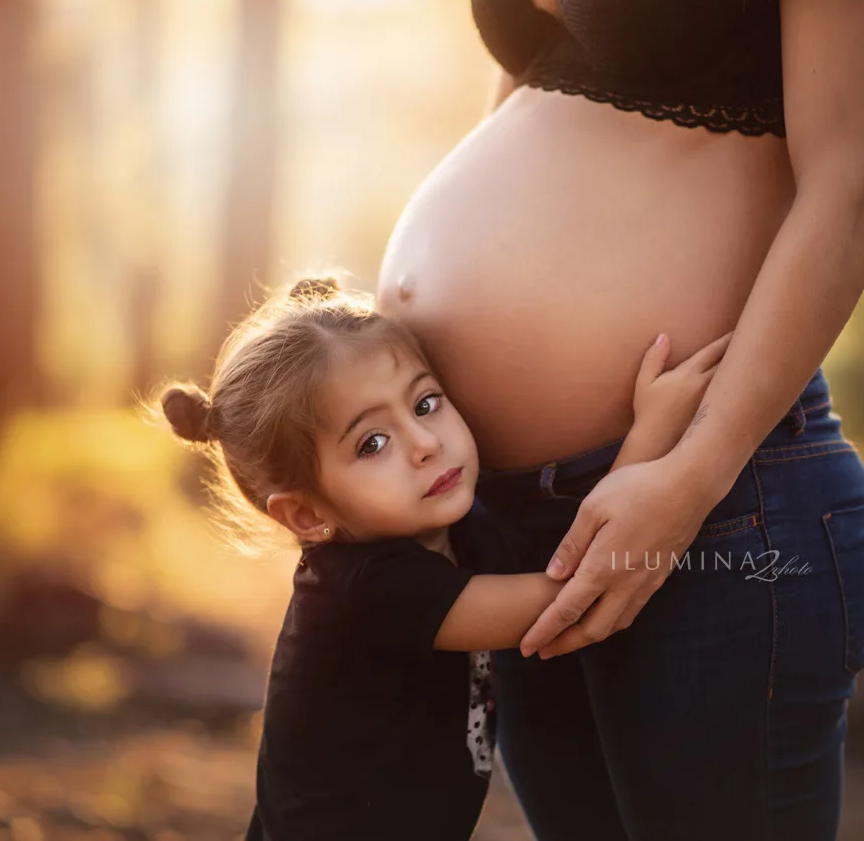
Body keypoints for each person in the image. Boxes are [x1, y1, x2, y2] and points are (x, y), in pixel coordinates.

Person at [376, 0, 864, 837]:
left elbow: (854, 193)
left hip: (710, 498)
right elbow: (524, 108)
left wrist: (690, 474)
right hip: (501, 517)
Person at [155, 277, 731, 841]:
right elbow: (575, 596)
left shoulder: (453, 527)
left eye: (426, 403)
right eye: (371, 444)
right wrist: (653, 435)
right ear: (306, 516)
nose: (425, 442)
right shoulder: (366, 590)